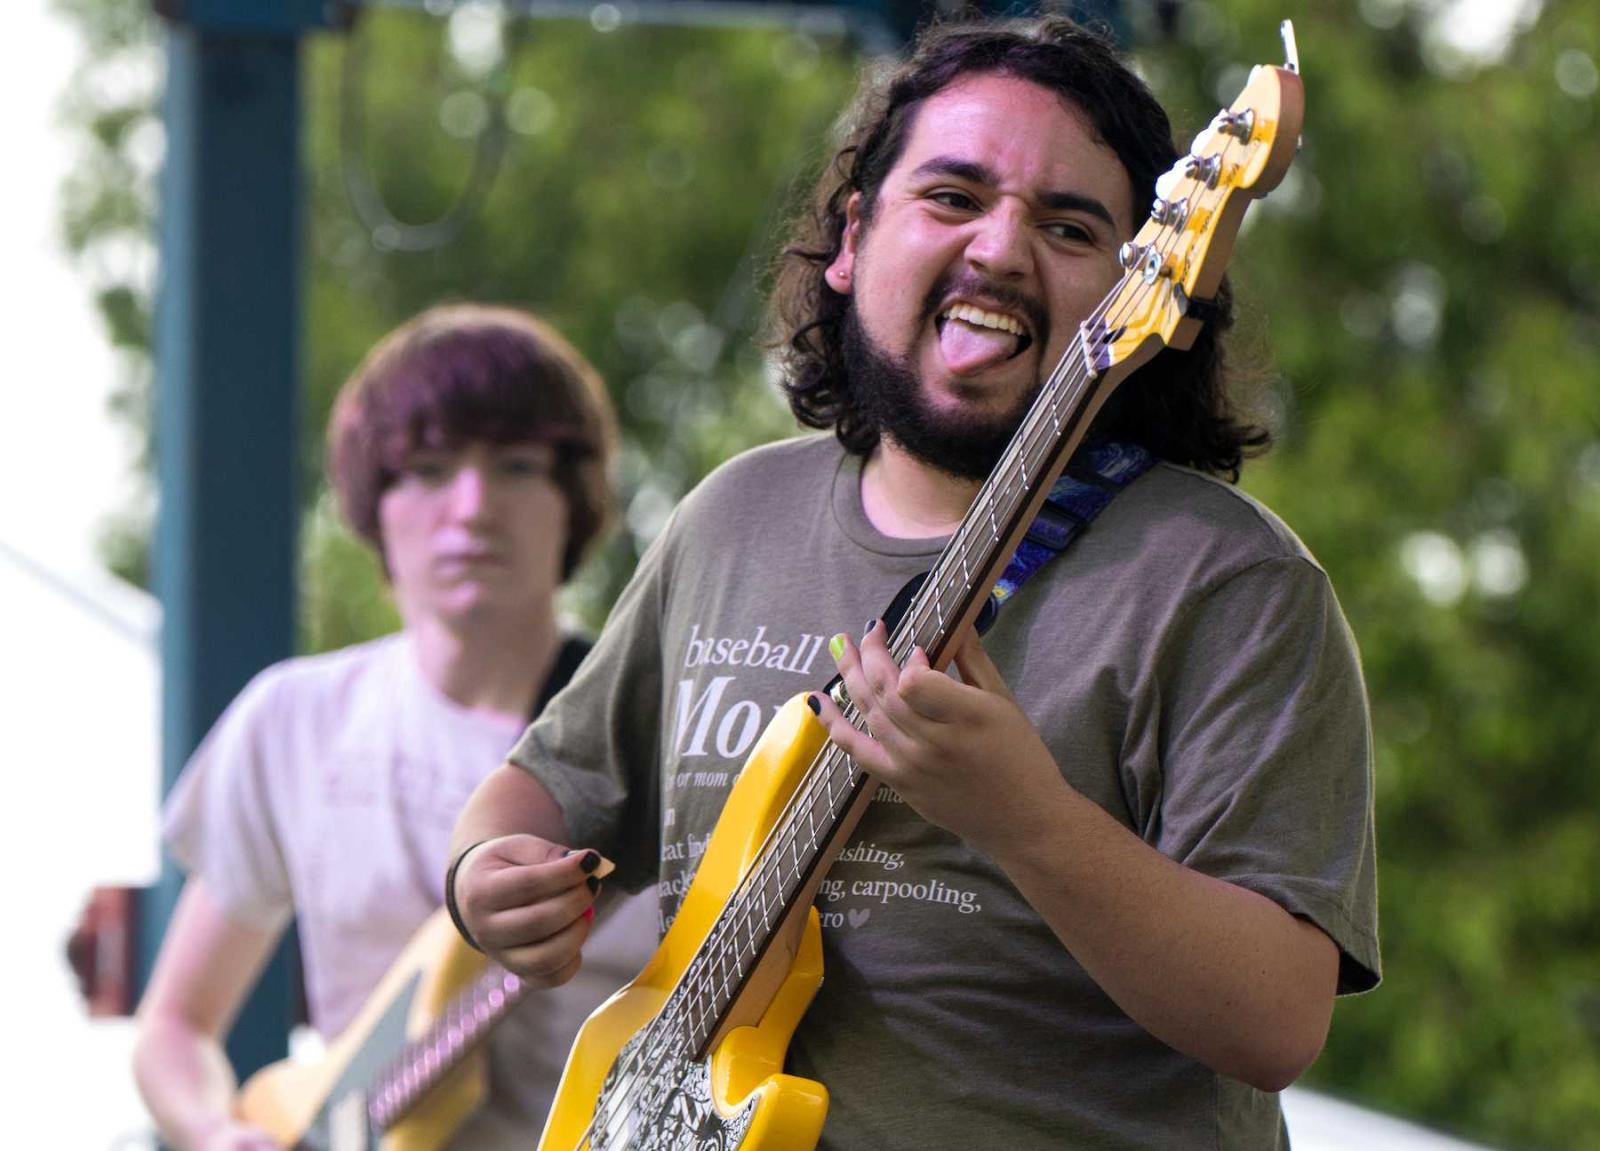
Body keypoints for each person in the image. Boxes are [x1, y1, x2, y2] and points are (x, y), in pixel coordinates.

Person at [448, 17, 1381, 1149]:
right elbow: (540, 791)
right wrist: (480, 878)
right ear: (852, 237)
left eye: (1068, 224)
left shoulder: (1231, 584)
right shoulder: (732, 519)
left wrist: (1028, 819)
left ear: (1147, 285)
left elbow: (1273, 1016)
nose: (998, 248)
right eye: (952, 196)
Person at [133, 304, 658, 1150]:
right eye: (428, 467)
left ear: (576, 502)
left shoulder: (655, 730)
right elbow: (176, 1027)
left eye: (518, 465)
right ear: (373, 506)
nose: (473, 505)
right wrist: (210, 1129)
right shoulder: (295, 720)